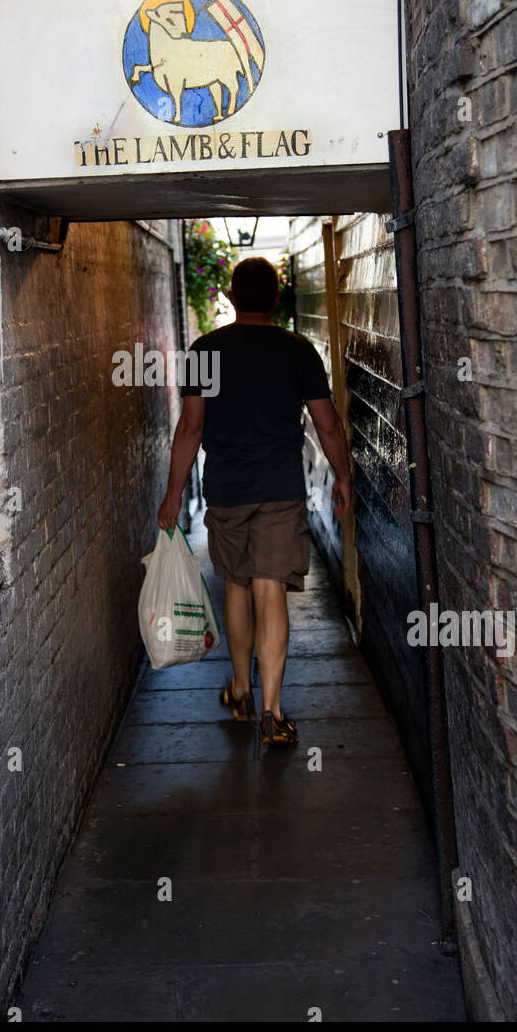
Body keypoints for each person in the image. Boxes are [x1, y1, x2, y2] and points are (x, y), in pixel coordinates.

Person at [157, 256, 352, 747]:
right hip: (281, 491)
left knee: (237, 589)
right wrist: (344, 475)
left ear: (230, 295)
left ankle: (242, 689)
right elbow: (326, 423)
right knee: (272, 592)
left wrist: (173, 495)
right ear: (276, 297)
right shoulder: (298, 350)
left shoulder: (204, 351)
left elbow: (191, 428)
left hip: (226, 491)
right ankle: (273, 711)